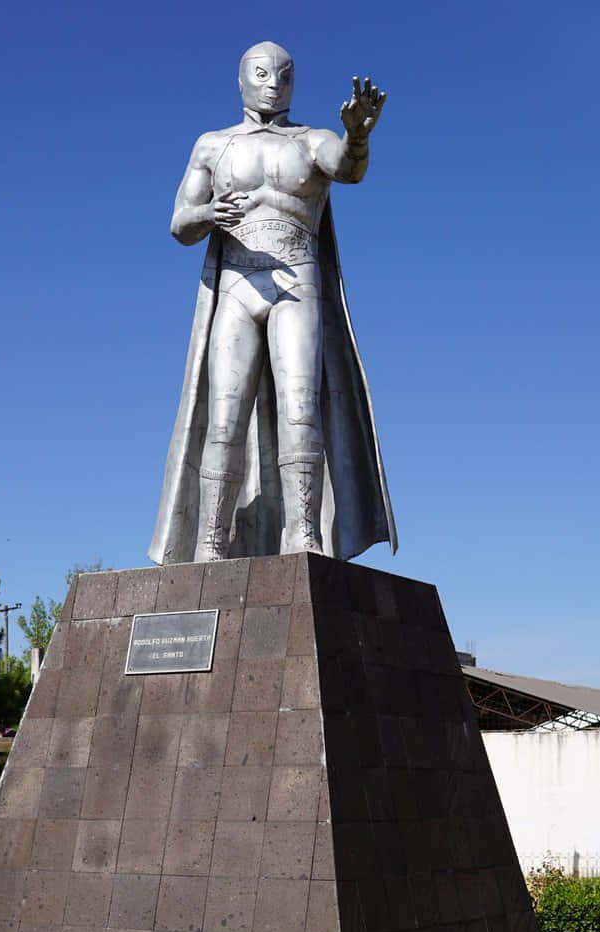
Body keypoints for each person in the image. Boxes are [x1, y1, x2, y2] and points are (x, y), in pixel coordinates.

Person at [149, 42, 398, 565]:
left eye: (283, 75)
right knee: (223, 419)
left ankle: (303, 535)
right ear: (241, 80)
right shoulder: (213, 147)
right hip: (238, 286)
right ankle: (212, 543)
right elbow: (178, 223)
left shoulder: (312, 141)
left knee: (301, 409)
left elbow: (348, 170)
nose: (273, 84)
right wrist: (209, 214)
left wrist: (357, 137)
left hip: (296, 281)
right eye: (261, 74)